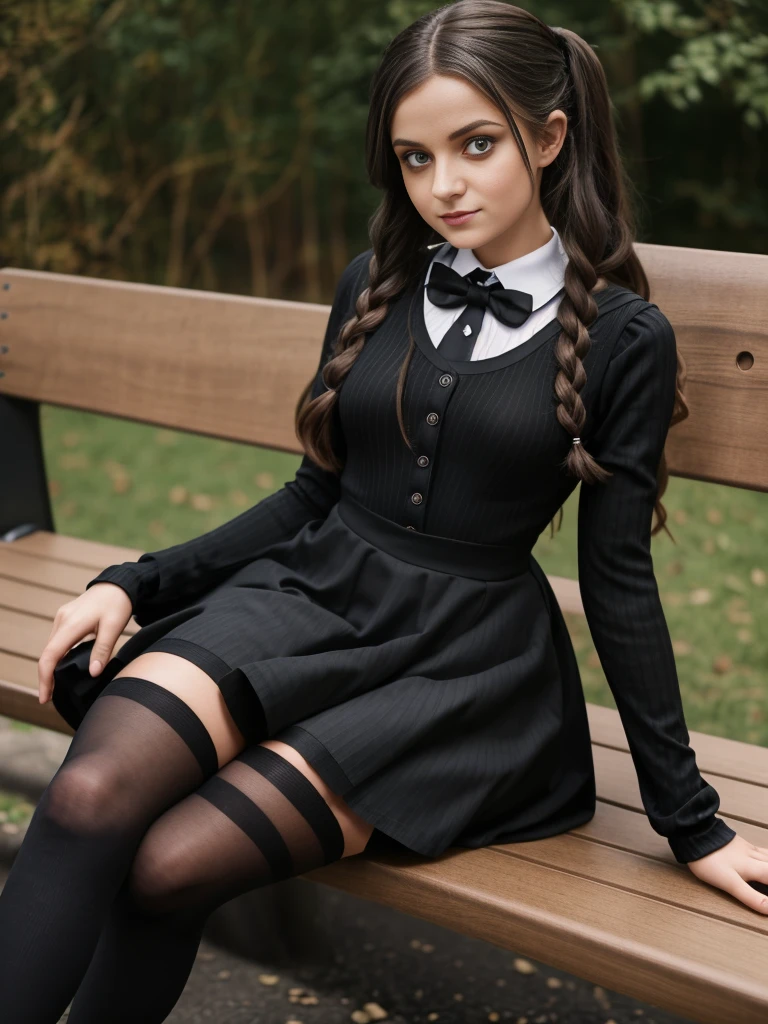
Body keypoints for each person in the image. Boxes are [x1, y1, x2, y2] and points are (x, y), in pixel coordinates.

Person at [2, 1, 766, 1020]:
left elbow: (620, 578)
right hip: (311, 589)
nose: (442, 185)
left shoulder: (625, 338)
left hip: (463, 667)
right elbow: (313, 493)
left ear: (548, 136)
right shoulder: (375, 283)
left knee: (167, 865)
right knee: (93, 793)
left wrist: (693, 822)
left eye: (475, 146)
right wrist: (130, 582)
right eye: (414, 158)